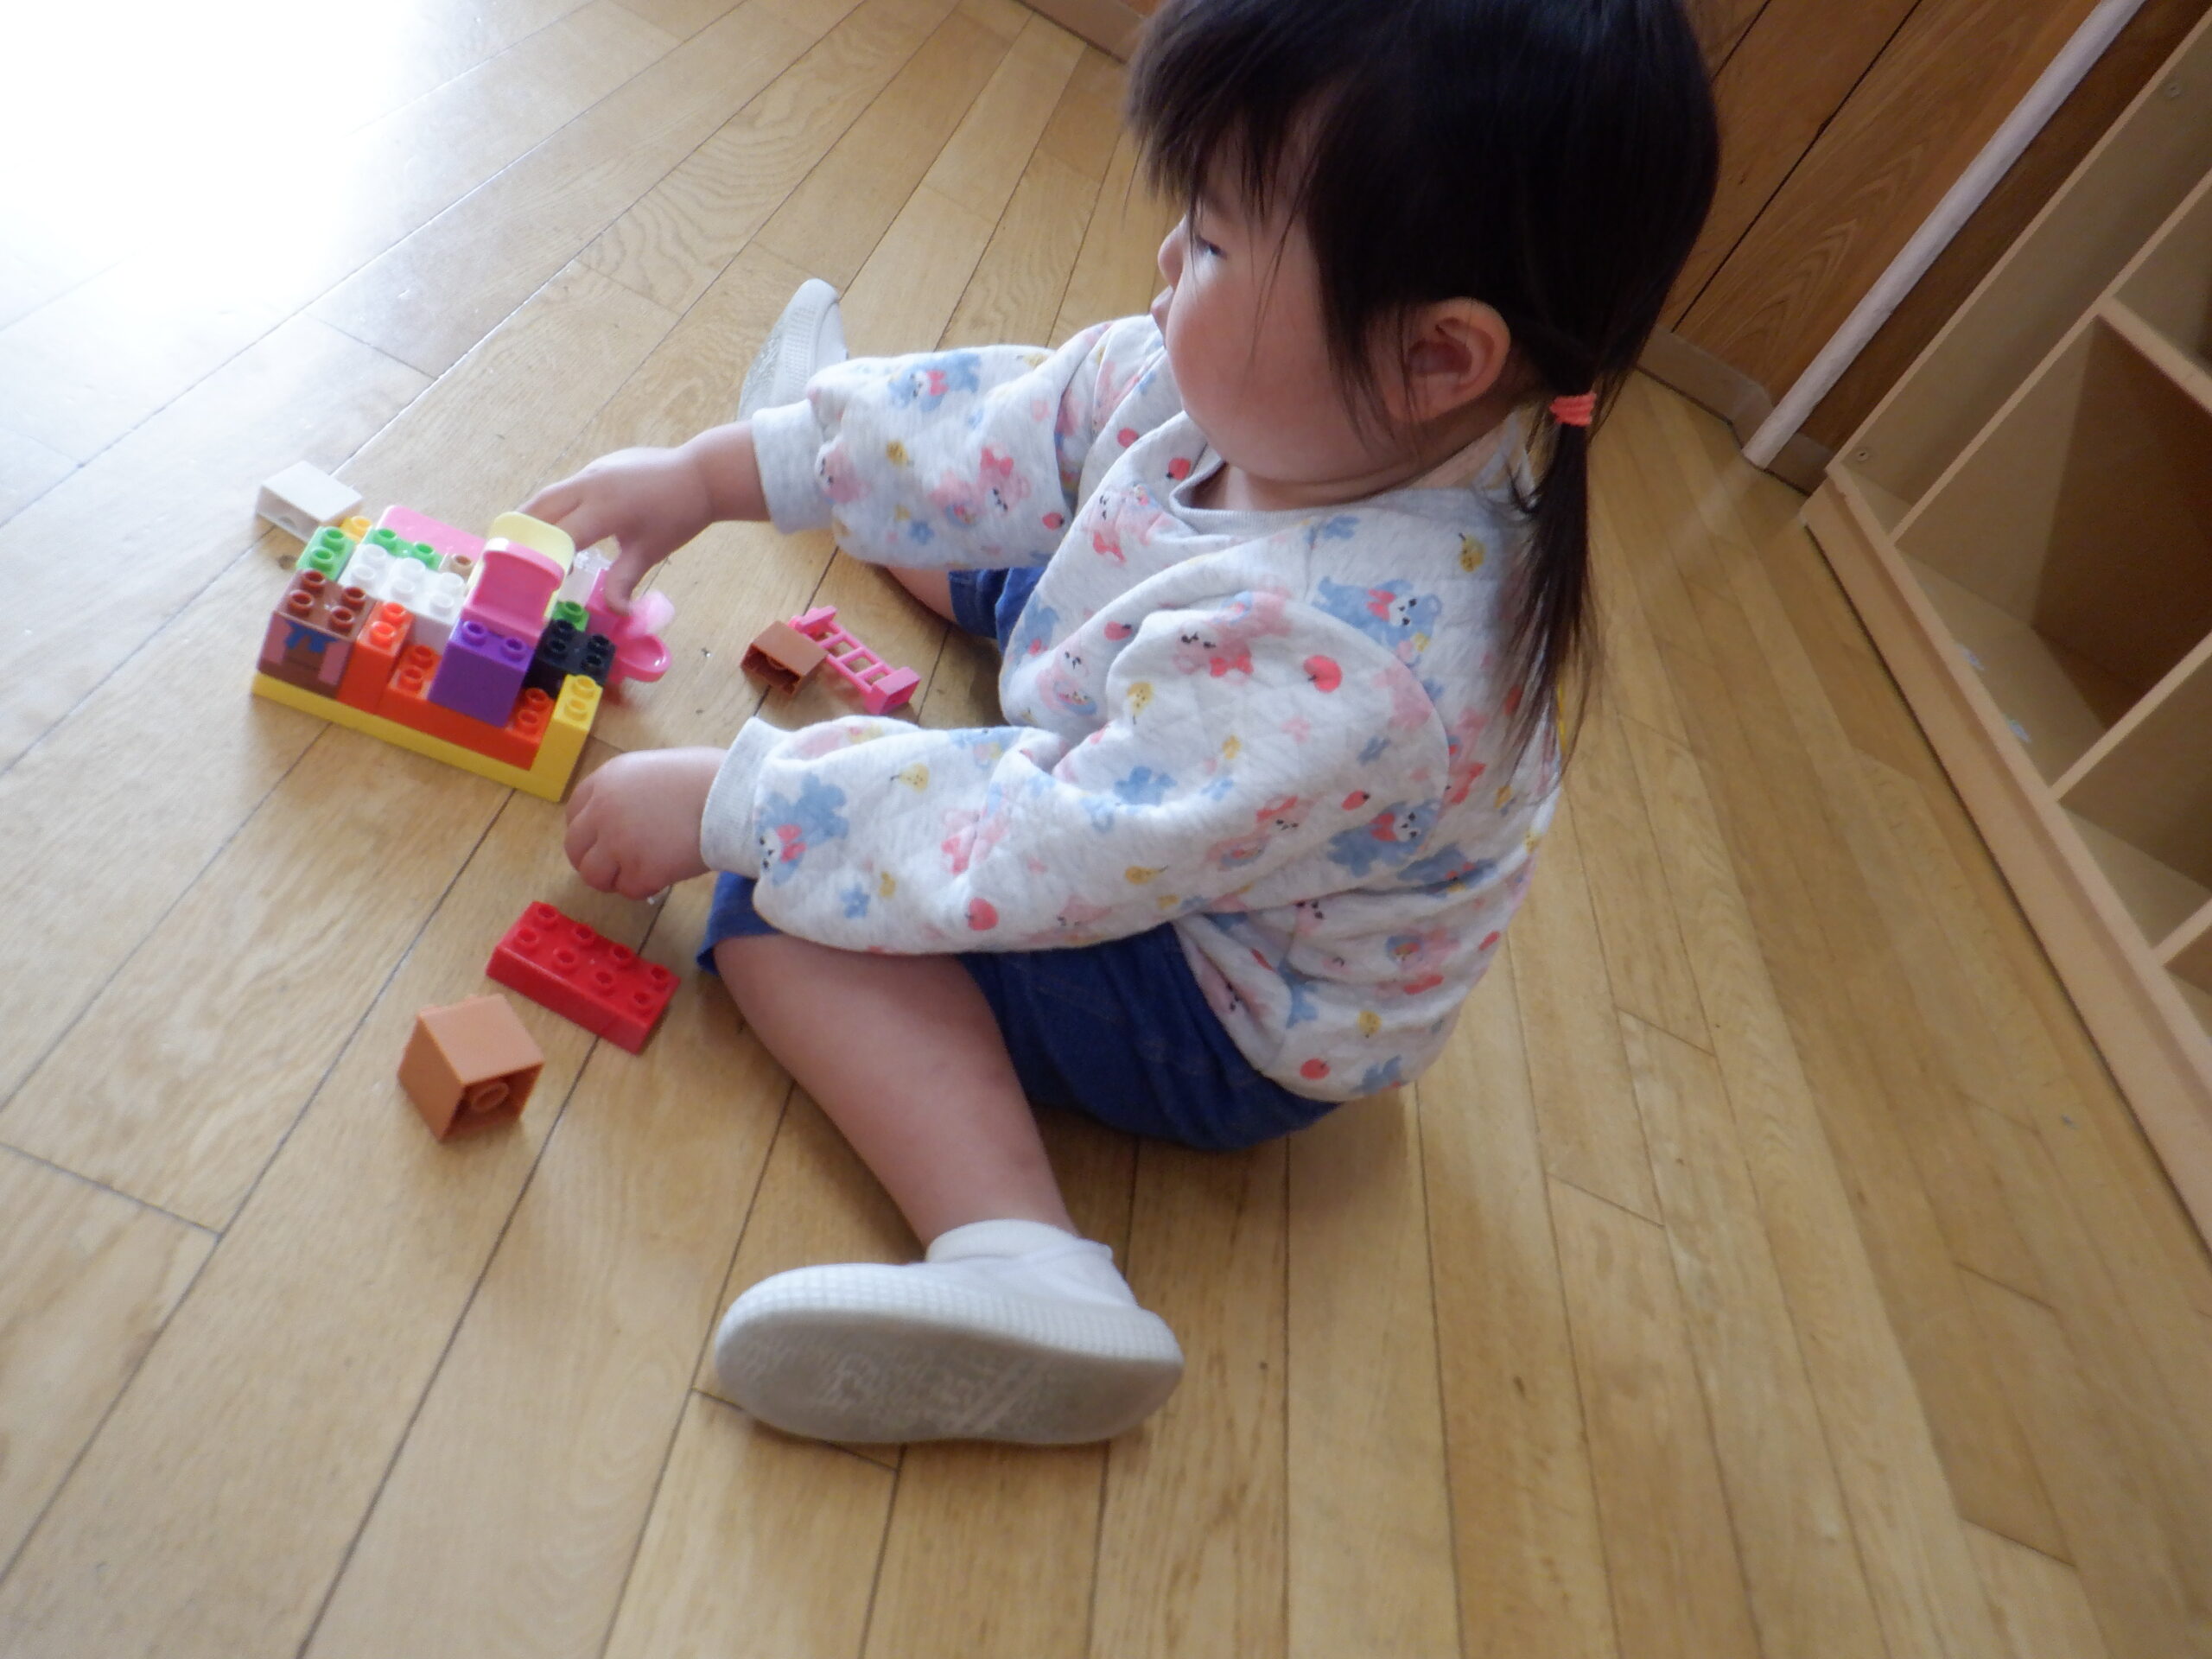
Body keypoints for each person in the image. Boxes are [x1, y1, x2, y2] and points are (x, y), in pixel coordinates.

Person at [524, 0, 1719, 1446]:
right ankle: (836, 467)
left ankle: (1022, 1260)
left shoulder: (1348, 658)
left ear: (1436, 357)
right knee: (1010, 537)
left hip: (1220, 993)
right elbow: (1025, 425)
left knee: (782, 900)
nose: (1165, 261)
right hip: (1185, 777)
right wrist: (730, 472)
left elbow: (1044, 841)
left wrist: (741, 802)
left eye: (1211, 242)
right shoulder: (1274, 400)